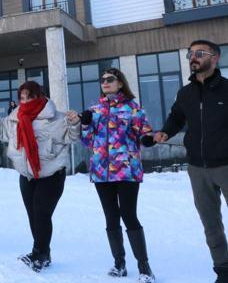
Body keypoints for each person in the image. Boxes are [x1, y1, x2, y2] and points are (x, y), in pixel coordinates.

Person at [0, 81, 80, 270]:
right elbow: (1, 129)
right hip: (27, 175)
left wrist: (75, 123)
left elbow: (72, 137)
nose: (25, 100)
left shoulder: (56, 118)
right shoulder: (15, 117)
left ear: (40, 96)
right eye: (22, 97)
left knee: (41, 213)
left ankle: (42, 254)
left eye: (30, 96)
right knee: (33, 215)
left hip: (51, 174)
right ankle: (39, 251)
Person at [154, 40, 228, 283]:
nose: (192, 58)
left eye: (199, 53)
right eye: (190, 54)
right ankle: (224, 271)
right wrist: (165, 131)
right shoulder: (185, 93)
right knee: (211, 224)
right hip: (197, 168)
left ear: (214, 58)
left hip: (226, 165)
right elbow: (176, 117)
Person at [81, 68, 156, 283]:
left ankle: (144, 268)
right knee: (111, 217)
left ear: (120, 83)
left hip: (126, 171)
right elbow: (87, 142)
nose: (105, 82)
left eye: (110, 79)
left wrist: (148, 139)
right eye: (102, 80)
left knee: (129, 215)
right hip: (101, 172)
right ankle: (119, 264)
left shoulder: (132, 108)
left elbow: (145, 132)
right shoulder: (94, 109)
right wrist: (85, 123)